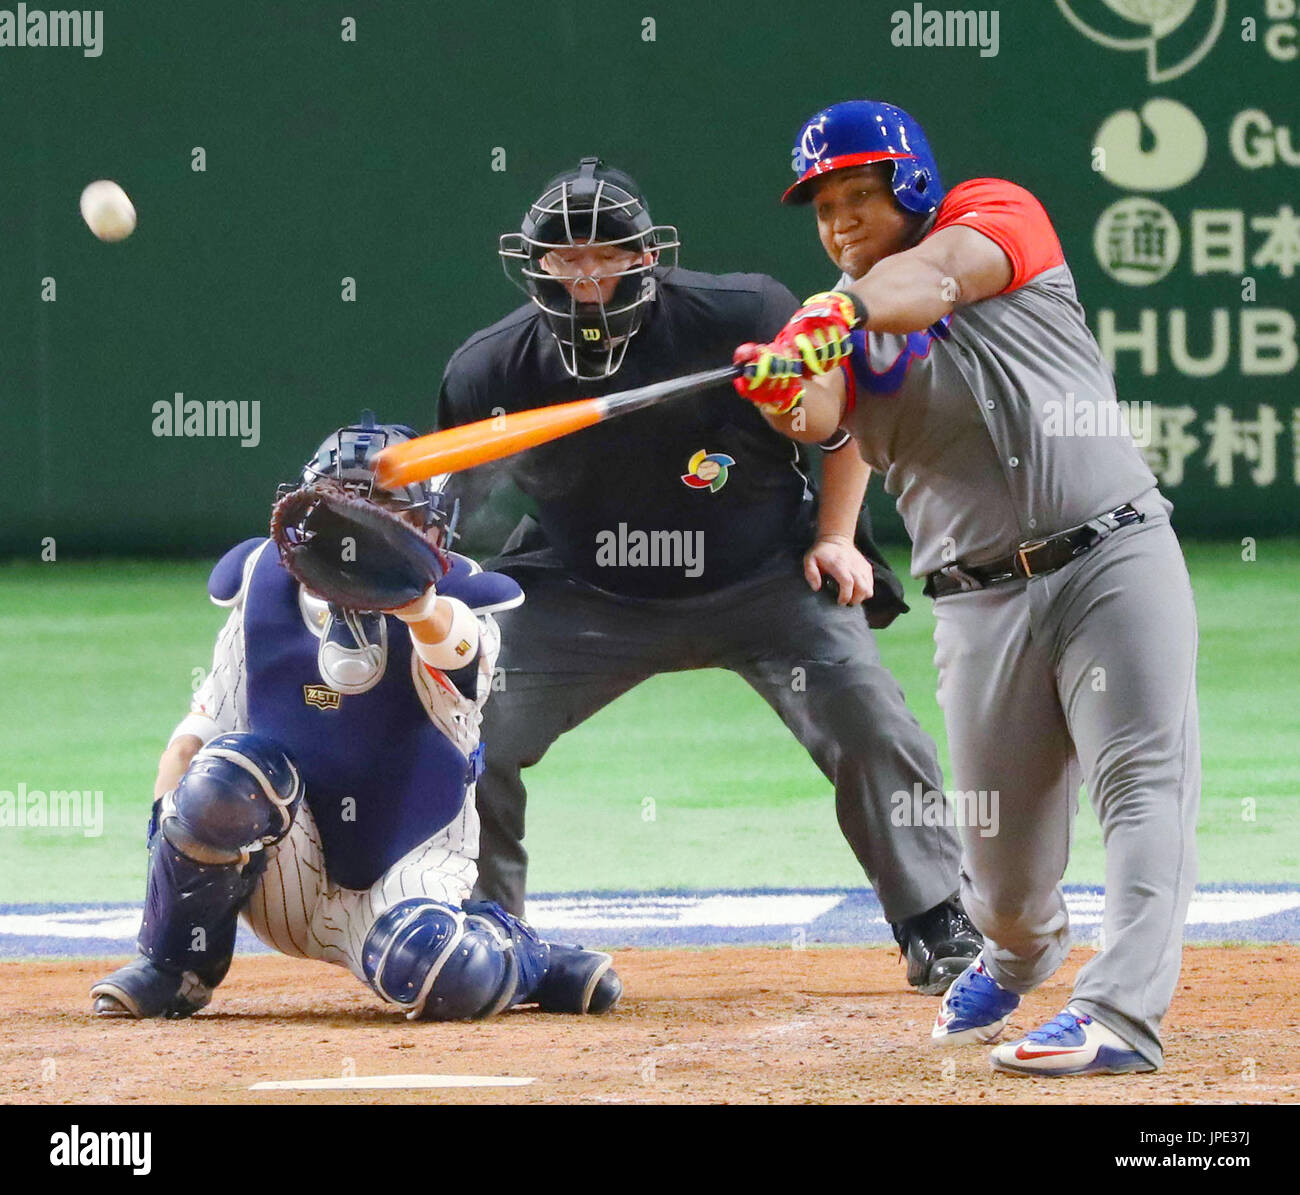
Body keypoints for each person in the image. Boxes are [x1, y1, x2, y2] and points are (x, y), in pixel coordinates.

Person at [436, 156, 981, 995]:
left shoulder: (744, 314)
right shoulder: (488, 373)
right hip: (586, 592)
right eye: (566, 257)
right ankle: (488, 935)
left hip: (762, 577)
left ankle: (935, 915)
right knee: (465, 721)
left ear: (647, 255)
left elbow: (837, 433)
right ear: (535, 264)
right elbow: (453, 512)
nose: (587, 275)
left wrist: (837, 537)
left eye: (608, 253)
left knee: (868, 713)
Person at [735, 100, 1200, 1075]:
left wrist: (838, 313)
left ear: (909, 183)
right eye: (822, 207)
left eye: (857, 194)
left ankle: (1118, 1013)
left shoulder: (993, 214)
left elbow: (932, 280)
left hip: (1113, 557)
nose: (838, 222)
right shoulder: (839, 318)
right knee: (1002, 867)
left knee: (1141, 782)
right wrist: (786, 386)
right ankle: (1019, 949)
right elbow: (823, 417)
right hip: (978, 603)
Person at [90, 414, 621, 1021]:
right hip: (284, 868)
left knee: (451, 979)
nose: (363, 530)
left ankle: (525, 956)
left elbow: (458, 652)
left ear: (429, 529)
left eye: (389, 515)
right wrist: (170, 870)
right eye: (348, 510)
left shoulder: (453, 606)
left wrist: (413, 600)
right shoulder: (261, 584)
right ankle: (172, 969)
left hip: (405, 872)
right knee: (221, 779)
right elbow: (196, 740)